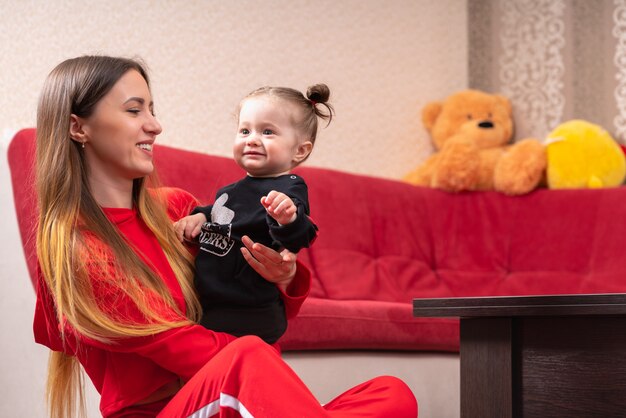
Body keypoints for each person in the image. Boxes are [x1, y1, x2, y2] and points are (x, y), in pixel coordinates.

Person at [33, 55, 418, 418]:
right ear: (78, 127)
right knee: (247, 355)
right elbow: (189, 350)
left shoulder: (180, 211)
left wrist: (282, 277)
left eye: (152, 110)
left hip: (234, 396)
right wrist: (262, 368)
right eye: (135, 110)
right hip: (170, 409)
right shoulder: (78, 248)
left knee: (390, 394)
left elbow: (249, 299)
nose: (154, 125)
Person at [174, 84, 332, 344]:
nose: (252, 139)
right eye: (245, 130)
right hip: (210, 301)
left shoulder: (288, 187)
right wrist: (200, 216)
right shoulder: (232, 190)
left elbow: (299, 236)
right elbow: (221, 216)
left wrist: (287, 218)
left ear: (299, 150)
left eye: (267, 131)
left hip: (248, 309)